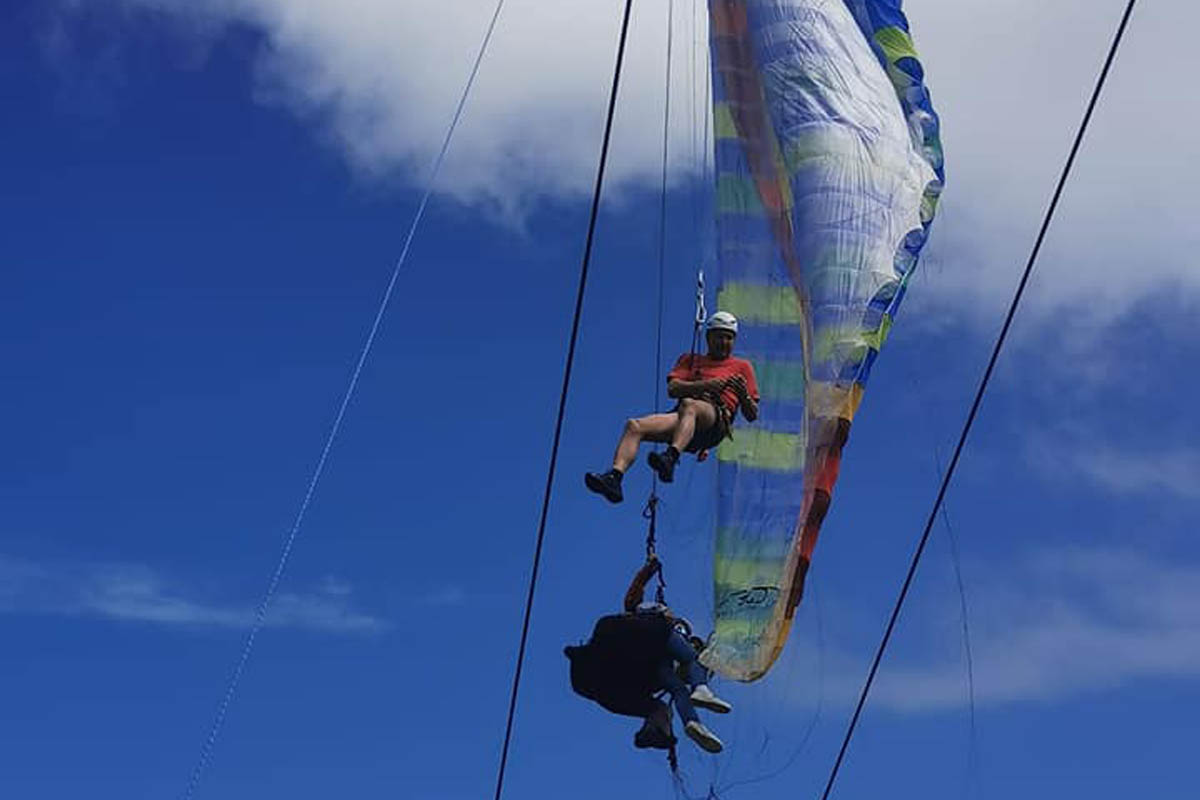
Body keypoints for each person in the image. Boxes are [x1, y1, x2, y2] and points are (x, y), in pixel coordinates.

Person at [585, 311, 759, 503]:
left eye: (729, 338)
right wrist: (706, 385)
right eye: (720, 337)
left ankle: (671, 457)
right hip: (685, 418)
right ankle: (614, 478)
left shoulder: (742, 367)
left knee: (689, 405)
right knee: (634, 426)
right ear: (709, 337)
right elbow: (673, 389)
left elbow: (752, 415)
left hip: (714, 420)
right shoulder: (690, 360)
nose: (724, 342)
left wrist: (742, 394)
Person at [564, 555, 732, 754]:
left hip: (612, 680)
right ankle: (700, 693)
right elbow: (634, 595)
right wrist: (648, 571)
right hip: (635, 642)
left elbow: (677, 685)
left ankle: (691, 723)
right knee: (690, 664)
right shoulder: (662, 625)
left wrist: (648, 571)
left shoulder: (656, 664)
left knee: (672, 693)